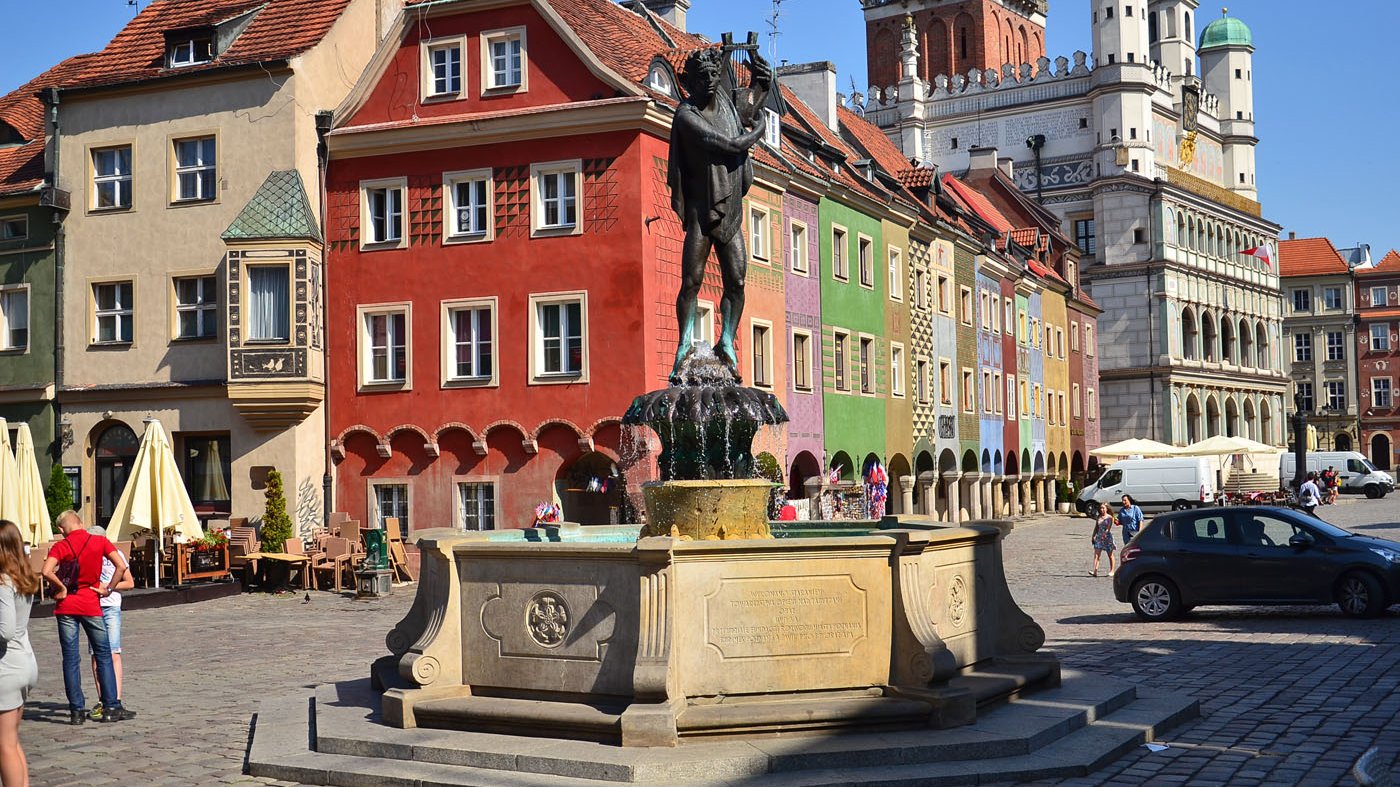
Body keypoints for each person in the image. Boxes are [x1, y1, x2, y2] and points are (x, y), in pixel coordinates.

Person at [667, 45, 773, 381]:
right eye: (703, 77)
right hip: (701, 209)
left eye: (715, 74)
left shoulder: (727, 103)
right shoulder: (686, 115)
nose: (711, 81)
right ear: (691, 82)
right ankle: (684, 343)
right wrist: (758, 132)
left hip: (730, 210)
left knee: (737, 281)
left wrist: (762, 80)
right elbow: (729, 145)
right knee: (691, 281)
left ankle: (726, 340)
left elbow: (751, 104)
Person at [39, 511, 134, 725]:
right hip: (91, 604)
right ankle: (110, 705)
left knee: (71, 658)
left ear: (62, 529)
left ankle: (76, 710)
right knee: (103, 654)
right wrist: (108, 589)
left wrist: (61, 587)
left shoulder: (61, 546)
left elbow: (45, 571)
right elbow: (120, 566)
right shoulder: (99, 541)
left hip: (66, 607)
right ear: (80, 523)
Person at [0, 520, 39, 787]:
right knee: (12, 741)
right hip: (24, 662)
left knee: (4, 745)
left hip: (6, 667)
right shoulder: (21, 577)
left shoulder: (3, 581)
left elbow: (5, 630)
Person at [86, 525, 133, 722]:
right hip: (92, 608)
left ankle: (117, 699)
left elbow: (129, 583)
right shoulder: (86, 556)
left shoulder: (116, 555)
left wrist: (109, 587)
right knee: (96, 655)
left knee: (113, 652)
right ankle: (103, 700)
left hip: (111, 607)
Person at [1091, 502, 1116, 577]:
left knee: (1110, 555)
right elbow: (1096, 527)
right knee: (1096, 555)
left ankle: (1112, 570)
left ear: (1107, 509)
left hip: (1107, 538)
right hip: (1099, 537)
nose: (1102, 510)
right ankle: (1095, 571)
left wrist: (1104, 535)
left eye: (1103, 508)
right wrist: (1093, 536)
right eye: (1101, 508)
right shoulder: (1099, 517)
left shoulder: (1110, 518)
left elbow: (1108, 528)